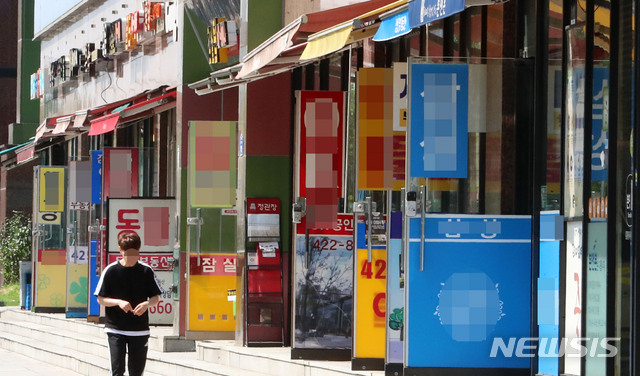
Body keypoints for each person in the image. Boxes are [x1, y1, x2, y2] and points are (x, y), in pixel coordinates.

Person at [94, 231, 163, 376]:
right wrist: (118, 302)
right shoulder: (111, 271)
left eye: (134, 253)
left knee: (136, 372)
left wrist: (146, 304)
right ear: (120, 250)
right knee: (117, 370)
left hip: (140, 329)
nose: (131, 257)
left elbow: (155, 297)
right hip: (116, 329)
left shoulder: (146, 271)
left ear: (139, 250)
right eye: (127, 253)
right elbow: (100, 299)